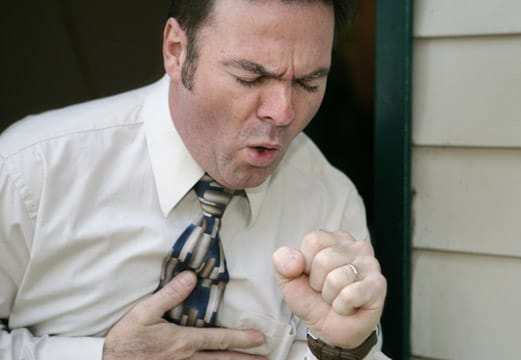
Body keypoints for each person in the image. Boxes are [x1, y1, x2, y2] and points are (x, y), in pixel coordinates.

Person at [0, 0, 389, 359]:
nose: (282, 112)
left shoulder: (330, 200)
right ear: (176, 50)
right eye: (250, 77)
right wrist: (102, 355)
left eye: (308, 83)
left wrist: (343, 349)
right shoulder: (30, 172)